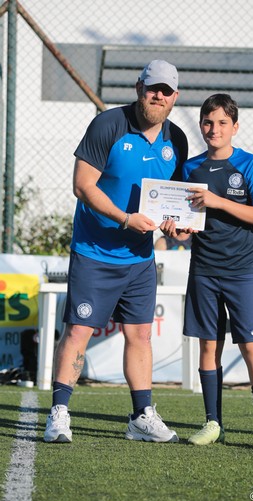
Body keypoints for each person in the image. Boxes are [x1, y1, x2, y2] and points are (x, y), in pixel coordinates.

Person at [44, 60, 188, 444]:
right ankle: (59, 413)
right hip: (95, 251)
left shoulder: (178, 140)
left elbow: (170, 202)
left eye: (166, 90)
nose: (158, 95)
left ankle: (141, 416)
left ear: (176, 97)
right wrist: (125, 219)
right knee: (78, 330)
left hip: (140, 258)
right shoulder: (107, 125)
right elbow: (82, 185)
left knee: (140, 335)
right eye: (152, 87)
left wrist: (175, 224)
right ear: (139, 87)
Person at [160, 93, 253, 450]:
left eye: (222, 123)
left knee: (251, 345)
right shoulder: (190, 169)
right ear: (201, 126)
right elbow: (185, 227)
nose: (215, 129)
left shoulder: (249, 164)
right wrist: (174, 231)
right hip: (205, 271)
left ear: (235, 127)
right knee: (208, 346)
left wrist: (219, 201)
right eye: (208, 123)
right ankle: (213, 423)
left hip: (243, 272)